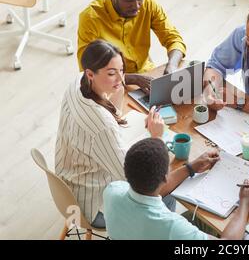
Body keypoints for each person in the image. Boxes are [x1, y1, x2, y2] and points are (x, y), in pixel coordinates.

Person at [55, 40, 195, 228]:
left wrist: (118, 85)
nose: (120, 79)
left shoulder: (78, 82)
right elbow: (140, 183)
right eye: (111, 73)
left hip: (69, 177)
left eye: (122, 70)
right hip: (92, 203)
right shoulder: (101, 126)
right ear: (90, 74)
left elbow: (114, 112)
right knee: (165, 195)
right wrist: (156, 138)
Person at [103, 137, 249, 240]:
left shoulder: (112, 190)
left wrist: (191, 167)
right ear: (165, 176)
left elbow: (151, 189)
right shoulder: (171, 227)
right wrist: (244, 203)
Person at [77, 0, 186, 94]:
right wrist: (134, 79)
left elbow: (174, 39)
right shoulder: (90, 18)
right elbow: (89, 71)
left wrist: (172, 65)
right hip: (110, 86)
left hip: (147, 75)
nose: (137, 6)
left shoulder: (148, 3)